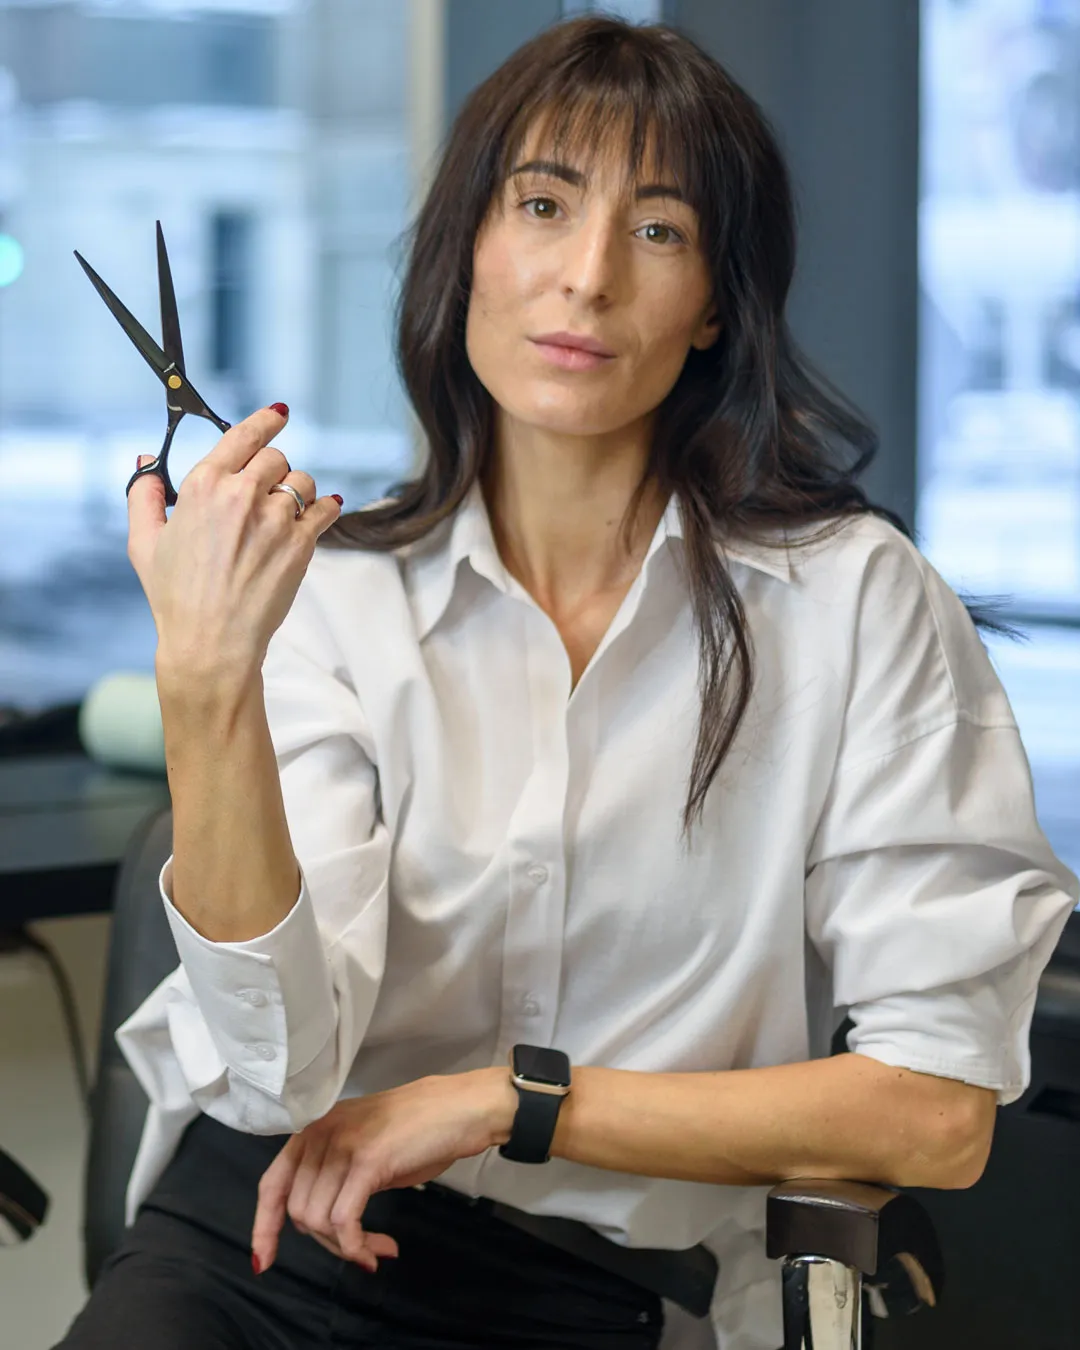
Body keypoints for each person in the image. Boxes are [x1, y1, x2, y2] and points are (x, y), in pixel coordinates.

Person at [56, 15, 1077, 1350]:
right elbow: (275, 1072)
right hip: (258, 1244)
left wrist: (517, 1100)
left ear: (715, 301)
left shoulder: (853, 604)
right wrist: (204, 675)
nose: (588, 277)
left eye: (657, 229)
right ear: (467, 250)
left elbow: (936, 1113)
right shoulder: (339, 597)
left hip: (596, 1295)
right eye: (542, 205)